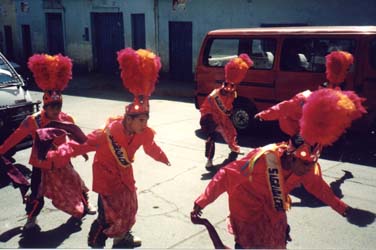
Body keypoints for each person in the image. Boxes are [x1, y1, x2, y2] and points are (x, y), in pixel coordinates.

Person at [191, 88, 366, 249]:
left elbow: (321, 189)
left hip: (273, 213)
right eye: (305, 164)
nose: (308, 169)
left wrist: (344, 210)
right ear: (292, 155)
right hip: (246, 211)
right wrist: (201, 202)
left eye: (312, 164)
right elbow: (226, 175)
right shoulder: (263, 158)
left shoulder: (307, 168)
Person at [46, 48, 171, 248]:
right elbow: (80, 144)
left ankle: (122, 238)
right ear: (128, 119)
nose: (144, 124)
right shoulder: (107, 133)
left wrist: (162, 157)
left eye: (146, 120)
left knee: (130, 209)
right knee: (107, 216)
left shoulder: (144, 132)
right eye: (140, 120)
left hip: (125, 177)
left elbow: (151, 147)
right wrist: (57, 155)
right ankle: (96, 241)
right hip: (106, 180)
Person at [0, 54, 95, 230]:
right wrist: (2, 149)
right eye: (52, 106)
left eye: (58, 106)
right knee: (36, 193)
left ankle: (86, 204)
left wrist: (83, 152)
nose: (55, 110)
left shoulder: (66, 118)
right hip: (41, 164)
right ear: (45, 106)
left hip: (62, 160)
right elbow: (16, 136)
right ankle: (31, 219)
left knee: (74, 183)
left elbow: (76, 136)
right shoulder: (33, 121)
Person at [199, 54, 253, 170]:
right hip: (211, 118)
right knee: (211, 139)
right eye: (228, 86)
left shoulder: (233, 93)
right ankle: (209, 160)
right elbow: (206, 107)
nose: (230, 88)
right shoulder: (215, 94)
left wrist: (229, 112)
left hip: (223, 117)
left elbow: (229, 106)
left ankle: (234, 148)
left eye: (232, 86)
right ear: (224, 85)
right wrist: (208, 119)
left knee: (231, 132)